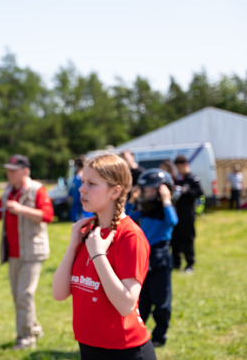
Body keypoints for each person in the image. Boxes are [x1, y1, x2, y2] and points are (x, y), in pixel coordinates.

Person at [52, 153, 156, 360]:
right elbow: (59, 293)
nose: (82, 189)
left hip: (126, 351)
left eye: (91, 183)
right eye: (83, 182)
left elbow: (126, 305)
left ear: (115, 191)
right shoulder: (87, 230)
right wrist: (73, 246)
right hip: (90, 346)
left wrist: (99, 255)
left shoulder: (130, 236)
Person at [0, 154, 54, 350]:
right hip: (13, 253)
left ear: (25, 171)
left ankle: (26, 338)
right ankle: (34, 328)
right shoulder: (7, 193)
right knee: (19, 296)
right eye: (8, 170)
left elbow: (48, 216)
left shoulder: (37, 190)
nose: (9, 174)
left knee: (24, 295)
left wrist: (21, 209)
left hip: (32, 252)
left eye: (13, 170)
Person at [127, 168, 178, 347]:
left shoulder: (165, 210)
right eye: (144, 190)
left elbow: (173, 221)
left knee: (162, 302)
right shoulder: (144, 209)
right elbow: (127, 218)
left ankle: (159, 335)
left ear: (160, 191)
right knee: (142, 301)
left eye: (149, 190)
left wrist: (166, 200)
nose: (145, 194)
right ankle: (137, 332)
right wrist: (133, 200)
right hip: (144, 258)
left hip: (161, 257)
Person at [172, 155, 203, 273]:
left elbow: (199, 193)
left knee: (187, 237)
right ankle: (176, 263)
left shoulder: (192, 178)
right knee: (175, 238)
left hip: (188, 212)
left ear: (185, 165)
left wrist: (186, 191)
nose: (178, 170)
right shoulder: (177, 178)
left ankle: (190, 264)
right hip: (176, 212)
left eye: (179, 167)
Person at [68, 155, 93, 222]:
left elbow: (70, 194)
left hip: (76, 207)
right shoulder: (82, 178)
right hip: (83, 209)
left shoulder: (74, 178)